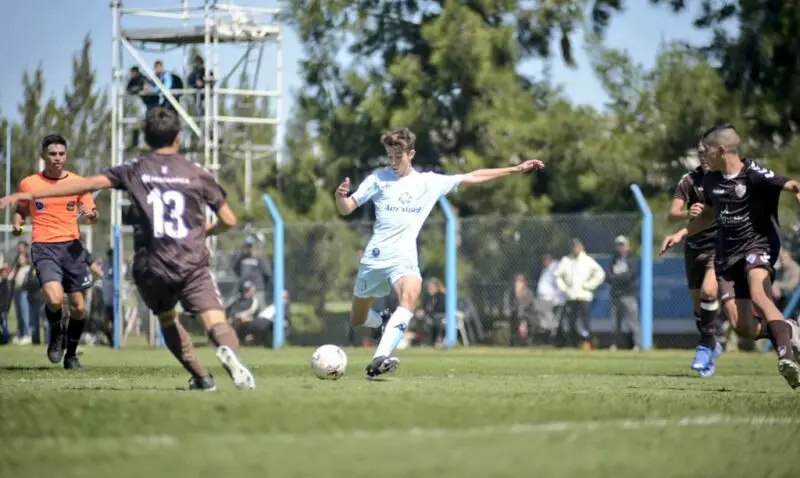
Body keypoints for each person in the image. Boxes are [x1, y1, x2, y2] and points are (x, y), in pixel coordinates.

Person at [0, 107, 255, 391]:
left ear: (146, 138)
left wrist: (28, 194)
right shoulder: (197, 173)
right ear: (179, 138)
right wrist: (206, 231)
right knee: (215, 320)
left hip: (152, 264)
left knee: (168, 319)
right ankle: (228, 350)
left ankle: (201, 377)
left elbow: (83, 185)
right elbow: (229, 220)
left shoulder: (135, 168)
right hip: (191, 260)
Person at [335, 127, 544, 378]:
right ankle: (382, 322)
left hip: (404, 258)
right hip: (376, 257)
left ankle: (380, 357)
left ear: (410, 154)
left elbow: (472, 177)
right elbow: (347, 208)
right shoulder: (378, 178)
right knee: (358, 319)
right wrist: (340, 197)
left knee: (411, 296)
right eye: (389, 156)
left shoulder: (429, 182)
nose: (392, 162)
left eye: (397, 157)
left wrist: (513, 170)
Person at [661, 123, 800, 388]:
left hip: (758, 245)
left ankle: (786, 356)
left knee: (759, 294)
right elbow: (709, 216)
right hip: (728, 255)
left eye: (707, 150)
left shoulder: (753, 174)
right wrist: (681, 234)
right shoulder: (711, 180)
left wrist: (796, 188)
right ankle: (790, 330)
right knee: (742, 327)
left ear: (722, 150)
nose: (702, 155)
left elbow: (785, 182)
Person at [11, 134, 98, 367]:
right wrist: (18, 222)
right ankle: (56, 331)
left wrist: (92, 215)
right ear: (43, 156)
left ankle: (71, 355)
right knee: (55, 297)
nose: (57, 158)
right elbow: (21, 209)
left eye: (61, 154)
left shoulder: (79, 183)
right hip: (44, 247)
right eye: (52, 154)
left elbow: (92, 214)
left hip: (72, 249)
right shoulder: (29, 183)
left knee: (79, 307)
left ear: (66, 155)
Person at [668, 155, 729, 375]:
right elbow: (672, 213)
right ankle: (711, 345)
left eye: (708, 152)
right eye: (700, 152)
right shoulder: (689, 180)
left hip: (719, 245)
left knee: (709, 290)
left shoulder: (727, 178)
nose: (704, 157)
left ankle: (708, 344)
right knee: (699, 307)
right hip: (694, 246)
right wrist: (687, 212)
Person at [607, 235, 640, 351]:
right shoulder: (614, 258)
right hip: (616, 294)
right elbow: (609, 276)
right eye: (618, 245)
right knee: (615, 322)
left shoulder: (632, 258)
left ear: (627, 245)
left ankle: (636, 345)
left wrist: (616, 277)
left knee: (633, 321)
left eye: (622, 245)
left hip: (628, 294)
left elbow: (630, 275)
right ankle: (614, 345)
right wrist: (616, 277)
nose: (620, 247)